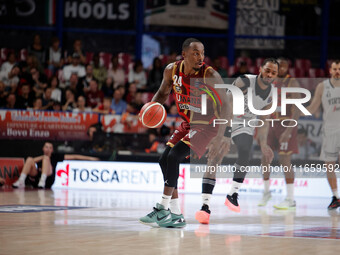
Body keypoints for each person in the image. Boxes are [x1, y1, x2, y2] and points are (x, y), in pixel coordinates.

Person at [139, 38, 231, 228]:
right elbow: (163, 93)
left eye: (203, 53)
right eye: (196, 53)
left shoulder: (210, 75)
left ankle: (162, 207)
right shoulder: (171, 70)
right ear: (185, 55)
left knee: (174, 157)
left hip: (208, 126)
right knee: (163, 159)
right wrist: (149, 109)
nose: (201, 57)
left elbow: (227, 106)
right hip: (189, 123)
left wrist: (221, 137)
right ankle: (177, 214)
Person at [195, 58, 277, 224]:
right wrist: (225, 133)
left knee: (246, 151)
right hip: (224, 117)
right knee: (215, 158)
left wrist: (263, 144)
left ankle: (232, 194)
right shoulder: (245, 81)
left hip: (245, 124)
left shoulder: (272, 93)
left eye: (273, 72)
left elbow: (264, 121)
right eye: (267, 70)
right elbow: (228, 104)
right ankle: (205, 206)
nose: (269, 75)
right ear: (260, 69)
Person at [258, 57, 301, 209]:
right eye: (278, 67)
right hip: (272, 123)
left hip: (286, 123)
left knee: (284, 160)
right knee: (265, 157)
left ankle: (290, 198)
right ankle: (266, 192)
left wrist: (289, 130)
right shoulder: (271, 83)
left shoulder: (292, 82)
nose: (281, 69)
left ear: (287, 68)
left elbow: (297, 110)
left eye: (283, 67)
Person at [307, 59, 340, 210]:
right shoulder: (322, 86)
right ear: (330, 70)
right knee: (329, 165)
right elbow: (313, 107)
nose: (337, 72)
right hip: (330, 131)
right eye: (335, 69)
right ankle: (336, 197)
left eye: (339, 69)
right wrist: (296, 111)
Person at [12, 142, 99, 189]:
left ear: (52, 150)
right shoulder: (40, 156)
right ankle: (21, 180)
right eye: (46, 147)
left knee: (46, 159)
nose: (48, 149)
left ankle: (43, 181)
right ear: (43, 148)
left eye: (50, 147)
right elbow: (30, 162)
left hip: (48, 180)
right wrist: (42, 157)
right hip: (36, 179)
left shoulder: (55, 156)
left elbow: (74, 156)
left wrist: (91, 158)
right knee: (30, 159)